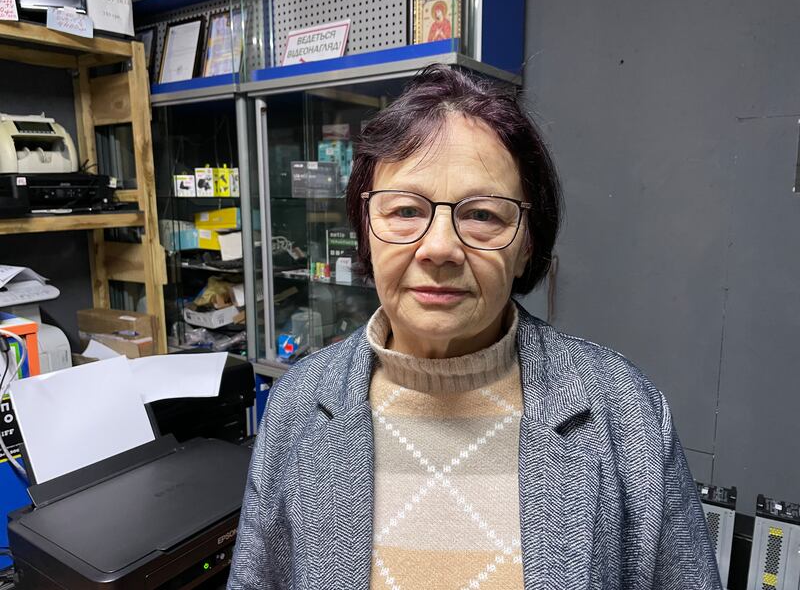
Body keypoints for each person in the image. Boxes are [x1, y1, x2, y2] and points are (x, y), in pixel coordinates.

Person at [227, 65, 722, 589]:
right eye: (405, 210)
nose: (439, 247)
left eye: (483, 214)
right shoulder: (297, 408)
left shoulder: (625, 414)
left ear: (527, 241)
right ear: (365, 230)